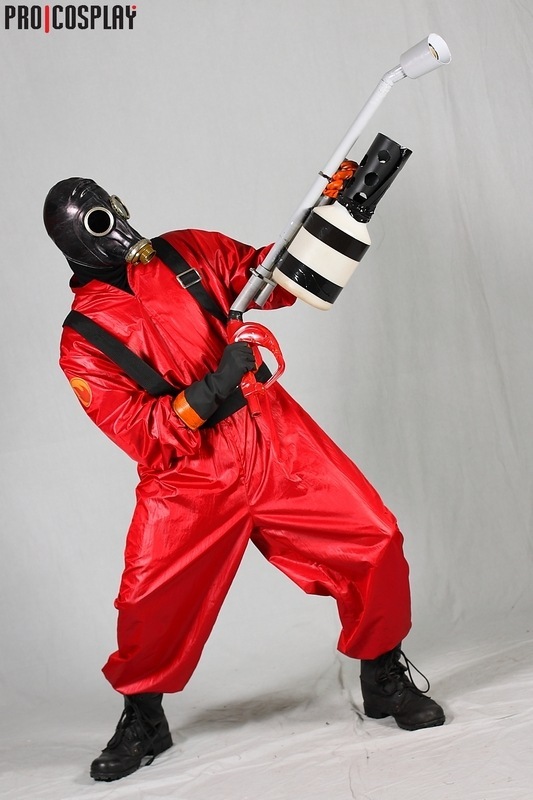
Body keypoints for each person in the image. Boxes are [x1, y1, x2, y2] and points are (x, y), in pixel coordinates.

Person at [43, 177, 445, 783]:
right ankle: (143, 718)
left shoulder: (187, 251)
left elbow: (274, 277)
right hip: (188, 477)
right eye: (99, 221)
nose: (119, 225)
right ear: (75, 241)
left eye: (114, 208)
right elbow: (142, 432)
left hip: (273, 438)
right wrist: (212, 387)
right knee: (147, 598)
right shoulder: (82, 340)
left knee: (374, 538)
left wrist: (337, 216)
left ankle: (383, 675)